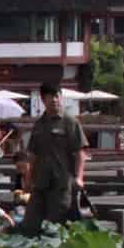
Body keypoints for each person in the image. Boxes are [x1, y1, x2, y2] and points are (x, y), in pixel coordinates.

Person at [16, 82, 88, 236]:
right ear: (43, 100)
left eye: (57, 96)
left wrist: (80, 177)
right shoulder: (39, 125)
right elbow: (32, 155)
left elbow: (80, 153)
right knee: (30, 224)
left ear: (61, 97)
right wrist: (28, 179)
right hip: (40, 183)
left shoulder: (70, 122)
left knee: (56, 227)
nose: (54, 100)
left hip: (61, 184)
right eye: (50, 97)